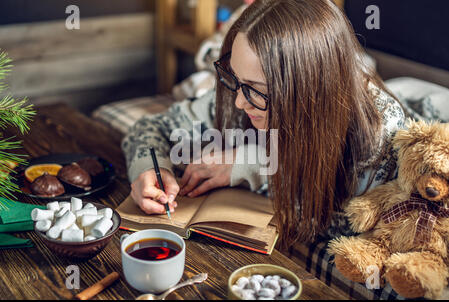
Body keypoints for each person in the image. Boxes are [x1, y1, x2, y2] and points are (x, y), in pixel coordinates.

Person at [121, 0, 405, 249]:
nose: (238, 103)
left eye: (255, 89)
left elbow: (346, 230)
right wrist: (148, 168)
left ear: (306, 89)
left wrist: (254, 164)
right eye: (235, 78)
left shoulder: (379, 134)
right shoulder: (243, 90)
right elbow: (150, 127)